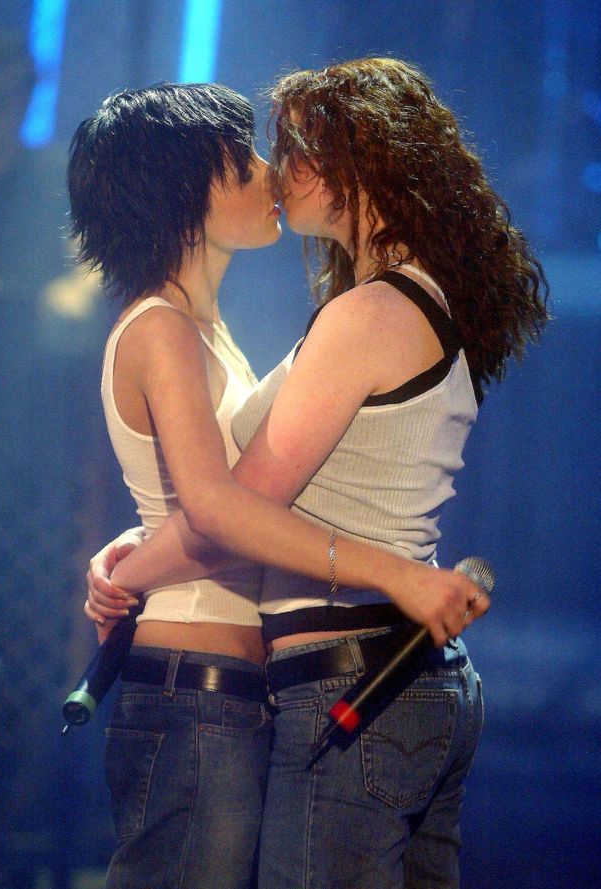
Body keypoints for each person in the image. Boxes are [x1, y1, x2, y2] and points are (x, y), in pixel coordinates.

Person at [70, 79, 488, 889]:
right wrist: (396, 572)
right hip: (194, 684)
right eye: (244, 163)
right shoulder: (160, 327)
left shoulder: (204, 330)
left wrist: (133, 553)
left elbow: (210, 493)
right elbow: (217, 506)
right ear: (184, 193)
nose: (270, 173)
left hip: (233, 686)